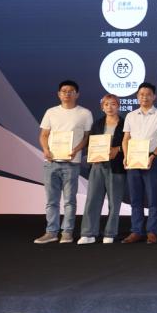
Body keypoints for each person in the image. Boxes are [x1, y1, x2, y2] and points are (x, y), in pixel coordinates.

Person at [35, 79, 93, 244]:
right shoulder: (51, 112)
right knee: (51, 201)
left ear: (77, 94)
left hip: (71, 162)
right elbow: (44, 135)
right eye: (64, 91)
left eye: (71, 91)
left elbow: (87, 137)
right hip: (51, 162)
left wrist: (76, 149)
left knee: (69, 200)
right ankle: (51, 232)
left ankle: (67, 232)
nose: (67, 94)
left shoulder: (85, 113)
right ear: (59, 94)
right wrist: (45, 150)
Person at [122, 82, 157, 244]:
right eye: (141, 94)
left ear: (154, 97)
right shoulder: (130, 115)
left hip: (151, 159)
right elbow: (126, 138)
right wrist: (126, 156)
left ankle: (152, 231)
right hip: (133, 158)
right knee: (135, 198)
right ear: (137, 96)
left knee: (153, 197)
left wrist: (153, 155)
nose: (144, 97)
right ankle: (136, 231)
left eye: (148, 94)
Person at [77, 93, 125, 244]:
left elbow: (130, 143)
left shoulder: (125, 124)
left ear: (118, 106)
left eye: (113, 104)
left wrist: (118, 149)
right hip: (97, 165)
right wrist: (92, 156)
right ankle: (88, 233)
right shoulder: (97, 124)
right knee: (92, 199)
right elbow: (91, 144)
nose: (110, 107)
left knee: (114, 202)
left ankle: (110, 233)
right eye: (106, 104)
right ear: (102, 107)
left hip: (116, 166)